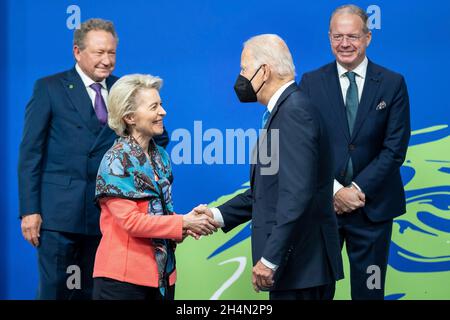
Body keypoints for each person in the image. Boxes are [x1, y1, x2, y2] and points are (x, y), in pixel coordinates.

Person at [18, 18, 169, 300]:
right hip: (59, 216)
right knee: (56, 292)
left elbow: (158, 138)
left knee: (95, 292)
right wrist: (30, 210)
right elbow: (30, 153)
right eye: (99, 52)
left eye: (111, 53)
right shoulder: (49, 88)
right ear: (77, 51)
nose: (106, 60)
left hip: (108, 215)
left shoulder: (126, 91)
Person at [196, 34, 343, 300]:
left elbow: (297, 194)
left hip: (301, 270)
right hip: (297, 272)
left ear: (264, 72)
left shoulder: (295, 112)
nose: (240, 77)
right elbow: (265, 193)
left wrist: (270, 259)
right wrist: (215, 216)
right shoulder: (284, 112)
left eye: (243, 69)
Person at [298, 4, 411, 300]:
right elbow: (304, 146)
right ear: (329, 38)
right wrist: (336, 192)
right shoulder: (311, 83)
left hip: (373, 211)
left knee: (370, 293)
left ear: (368, 38)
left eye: (352, 36)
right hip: (324, 210)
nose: (345, 44)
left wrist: (357, 189)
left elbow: (394, 148)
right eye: (337, 37)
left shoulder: (392, 83)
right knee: (316, 293)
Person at [92, 74, 218, 300]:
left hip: (163, 278)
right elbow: (132, 222)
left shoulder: (161, 156)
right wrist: (182, 222)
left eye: (161, 104)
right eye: (154, 107)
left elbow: (160, 214)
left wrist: (187, 224)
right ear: (130, 116)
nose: (163, 112)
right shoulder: (115, 161)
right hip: (123, 282)